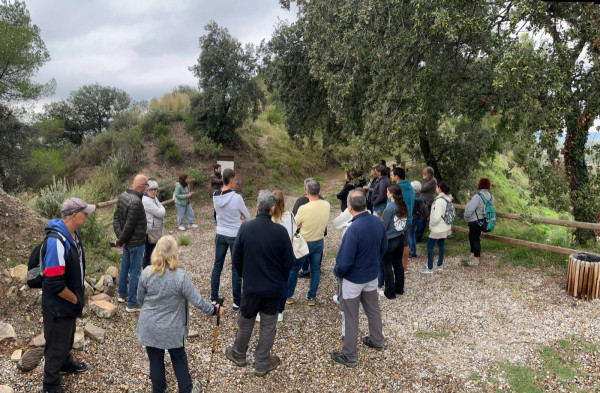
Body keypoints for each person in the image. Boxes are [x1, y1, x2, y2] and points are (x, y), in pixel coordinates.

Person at [136, 236, 225, 393]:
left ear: (155, 252)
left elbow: (140, 299)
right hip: (172, 328)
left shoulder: (146, 273)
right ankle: (186, 389)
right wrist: (214, 310)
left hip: (149, 326)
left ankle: (159, 389)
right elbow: (197, 301)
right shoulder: (180, 276)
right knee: (178, 357)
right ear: (174, 254)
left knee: (155, 360)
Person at [226, 190, 294, 377]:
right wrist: (279, 278)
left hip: (251, 287)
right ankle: (262, 363)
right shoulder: (280, 232)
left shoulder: (245, 229)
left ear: (256, 207)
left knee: (246, 323)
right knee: (268, 326)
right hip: (272, 289)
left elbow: (236, 258)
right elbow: (289, 262)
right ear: (272, 209)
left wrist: (244, 275)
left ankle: (239, 354)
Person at [42, 198, 95, 393]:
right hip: (59, 305)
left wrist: (76, 299)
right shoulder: (56, 241)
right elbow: (54, 283)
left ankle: (65, 363)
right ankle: (50, 384)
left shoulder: (73, 234)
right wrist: (74, 299)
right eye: (85, 213)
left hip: (69, 302)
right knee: (56, 343)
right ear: (74, 215)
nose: (87, 216)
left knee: (68, 336)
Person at [331, 190, 387, 367]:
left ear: (349, 207)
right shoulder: (377, 222)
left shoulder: (352, 230)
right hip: (371, 275)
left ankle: (350, 355)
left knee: (350, 316)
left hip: (353, 279)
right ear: (365, 204)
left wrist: (337, 271)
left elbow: (345, 261)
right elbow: (384, 247)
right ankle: (377, 340)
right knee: (373, 310)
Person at [212, 168, 251, 312]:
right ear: (232, 179)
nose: (237, 182)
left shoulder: (215, 195)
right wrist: (239, 217)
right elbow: (247, 216)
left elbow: (217, 215)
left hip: (220, 233)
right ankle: (237, 303)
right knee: (236, 268)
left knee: (217, 266)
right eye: (236, 179)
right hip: (235, 234)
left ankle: (213, 298)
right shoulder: (237, 197)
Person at [286, 179, 330, 306]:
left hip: (304, 243)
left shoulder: (304, 208)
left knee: (294, 269)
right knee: (315, 270)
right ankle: (311, 297)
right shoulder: (326, 205)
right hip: (319, 241)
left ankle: (289, 295)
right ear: (319, 191)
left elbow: (295, 224)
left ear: (306, 191)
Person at [113, 174, 148, 312]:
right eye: (146, 186)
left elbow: (115, 219)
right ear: (142, 186)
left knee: (124, 268)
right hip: (136, 243)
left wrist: (120, 239)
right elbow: (129, 226)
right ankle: (132, 303)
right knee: (135, 272)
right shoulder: (136, 202)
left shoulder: (123, 196)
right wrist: (121, 240)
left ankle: (122, 295)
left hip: (127, 243)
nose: (146, 189)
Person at [291, 178, 327, 279]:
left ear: (306, 189)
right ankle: (316, 268)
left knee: (304, 250)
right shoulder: (322, 199)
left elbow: (294, 217)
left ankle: (306, 270)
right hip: (319, 231)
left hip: (305, 232)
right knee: (318, 251)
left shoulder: (301, 200)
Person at [271, 190, 297, 322]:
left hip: (271, 255)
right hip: (286, 253)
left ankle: (269, 309)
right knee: (284, 282)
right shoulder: (290, 215)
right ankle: (280, 311)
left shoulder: (269, 218)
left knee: (269, 282)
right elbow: (294, 231)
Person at [380, 185, 408, 299]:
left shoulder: (389, 208)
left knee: (387, 265)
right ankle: (399, 288)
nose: (386, 194)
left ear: (392, 194)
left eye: (387, 192)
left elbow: (383, 226)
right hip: (400, 237)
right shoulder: (403, 206)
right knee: (398, 264)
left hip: (390, 239)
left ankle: (390, 292)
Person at [419, 182, 452, 274]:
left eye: (437, 187)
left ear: (439, 189)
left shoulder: (439, 201)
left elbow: (436, 216)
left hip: (438, 228)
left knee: (430, 246)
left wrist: (432, 225)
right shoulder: (448, 199)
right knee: (441, 245)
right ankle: (439, 265)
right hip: (445, 226)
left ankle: (430, 268)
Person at [463, 178, 493, 266]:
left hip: (474, 220)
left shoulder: (478, 196)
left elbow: (470, 209)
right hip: (484, 220)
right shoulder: (491, 196)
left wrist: (466, 216)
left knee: (475, 239)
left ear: (480, 185)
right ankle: (472, 255)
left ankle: (476, 259)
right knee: (474, 238)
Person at [390, 167, 415, 273]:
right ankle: (404, 266)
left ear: (396, 176)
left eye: (392, 174)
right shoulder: (411, 187)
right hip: (409, 218)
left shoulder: (396, 189)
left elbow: (391, 205)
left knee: (395, 243)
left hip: (398, 219)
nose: (391, 176)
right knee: (406, 243)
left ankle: (397, 266)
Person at [142, 179, 165, 269]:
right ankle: (146, 272)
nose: (154, 191)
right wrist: (161, 209)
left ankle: (152, 269)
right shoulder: (146, 200)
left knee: (155, 251)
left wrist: (161, 208)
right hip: (149, 230)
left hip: (155, 228)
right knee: (149, 252)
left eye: (155, 189)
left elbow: (161, 208)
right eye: (151, 189)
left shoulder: (154, 198)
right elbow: (161, 213)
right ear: (147, 190)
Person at [416, 166, 438, 242]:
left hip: (428, 203)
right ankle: (417, 236)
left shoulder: (433, 181)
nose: (423, 174)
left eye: (425, 173)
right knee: (420, 219)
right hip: (423, 202)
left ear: (429, 174)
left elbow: (421, 189)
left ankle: (418, 238)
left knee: (422, 220)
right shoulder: (425, 179)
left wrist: (416, 189)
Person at [409, 181, 428, 258]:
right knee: (412, 235)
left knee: (410, 235)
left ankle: (412, 252)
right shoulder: (421, 197)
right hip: (418, 217)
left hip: (412, 217)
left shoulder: (412, 198)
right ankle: (412, 251)